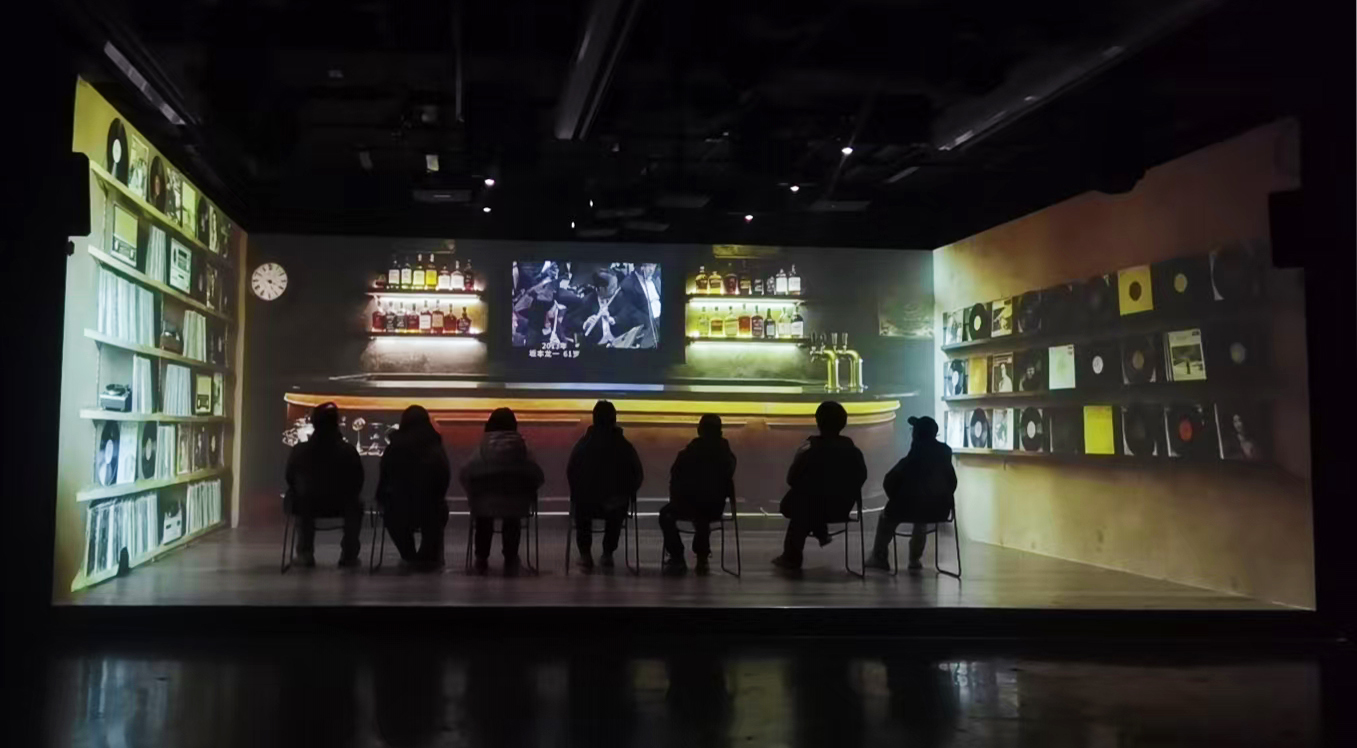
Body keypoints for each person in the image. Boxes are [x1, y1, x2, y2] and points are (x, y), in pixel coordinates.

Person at [772, 401, 867, 570]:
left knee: (803, 507)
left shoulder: (810, 449)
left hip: (809, 507)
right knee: (810, 504)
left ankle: (792, 556)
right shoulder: (854, 452)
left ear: (818, 422)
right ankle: (820, 530)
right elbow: (861, 477)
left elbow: (792, 479)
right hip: (841, 507)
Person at [865, 415, 957, 572]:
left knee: (886, 516)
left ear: (916, 434)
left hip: (908, 507)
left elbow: (890, 480)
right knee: (921, 521)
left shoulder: (915, 455)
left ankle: (879, 557)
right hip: (939, 510)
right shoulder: (945, 454)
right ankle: (914, 560)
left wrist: (895, 498)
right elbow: (952, 482)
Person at [459, 407, 544, 575]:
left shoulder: (482, 448)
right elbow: (537, 475)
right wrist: (528, 491)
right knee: (512, 519)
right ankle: (511, 558)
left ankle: (481, 558)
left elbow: (466, 473)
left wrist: (472, 492)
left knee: (484, 519)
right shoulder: (523, 448)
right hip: (517, 503)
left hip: (484, 503)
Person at [284, 402, 365, 567]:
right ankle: (349, 555)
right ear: (337, 423)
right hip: (342, 505)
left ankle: (305, 552)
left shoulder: (300, 450)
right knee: (356, 504)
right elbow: (358, 481)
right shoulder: (348, 451)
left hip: (306, 505)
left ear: (314, 422)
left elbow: (290, 477)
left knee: (302, 499)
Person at [567, 400, 643, 570]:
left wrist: (577, 494)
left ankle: (585, 554)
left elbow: (571, 472)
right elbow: (637, 475)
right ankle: (607, 553)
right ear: (614, 419)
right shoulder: (624, 446)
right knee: (617, 509)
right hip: (614, 505)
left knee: (582, 508)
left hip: (586, 504)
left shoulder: (583, 445)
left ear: (594, 419)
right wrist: (626, 494)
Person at [376, 405, 451, 571]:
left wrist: (381, 499)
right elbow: (444, 476)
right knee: (438, 512)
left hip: (398, 509)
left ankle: (409, 555)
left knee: (393, 516)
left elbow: (384, 477)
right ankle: (427, 556)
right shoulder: (435, 446)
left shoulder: (394, 446)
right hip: (431, 509)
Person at [659, 414, 736, 574]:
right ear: (720, 432)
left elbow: (675, 478)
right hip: (714, 507)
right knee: (703, 515)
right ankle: (702, 557)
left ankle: (677, 556)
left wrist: (677, 498)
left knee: (666, 515)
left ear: (700, 430)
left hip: (687, 505)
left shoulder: (688, 453)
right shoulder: (727, 456)